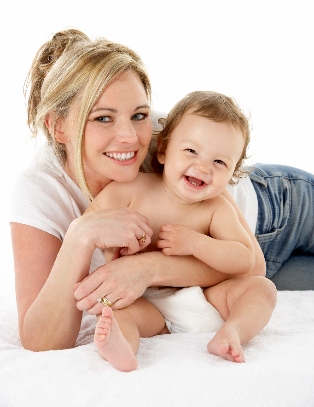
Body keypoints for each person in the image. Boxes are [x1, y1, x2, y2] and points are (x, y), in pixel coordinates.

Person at [9, 28, 313, 355]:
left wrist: (146, 268)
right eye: (102, 118)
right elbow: (41, 341)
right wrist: (80, 236)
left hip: (279, 209)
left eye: (139, 114)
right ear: (58, 126)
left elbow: (252, 266)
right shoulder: (40, 192)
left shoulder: (162, 136)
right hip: (213, 287)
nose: (129, 136)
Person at [86, 90, 277, 370]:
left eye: (220, 162)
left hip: (208, 300)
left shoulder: (216, 208)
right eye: (191, 151)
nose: (202, 167)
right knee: (118, 314)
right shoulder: (130, 191)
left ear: (233, 172)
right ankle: (122, 348)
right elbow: (88, 227)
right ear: (163, 150)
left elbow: (244, 260)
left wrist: (197, 243)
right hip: (148, 303)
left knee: (263, 289)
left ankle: (233, 332)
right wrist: (114, 245)